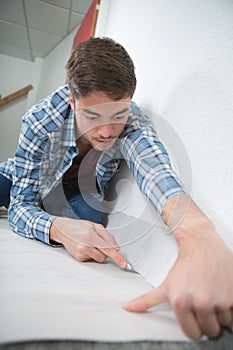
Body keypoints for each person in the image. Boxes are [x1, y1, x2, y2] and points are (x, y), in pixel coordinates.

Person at [0, 37, 232, 340]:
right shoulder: (39, 121)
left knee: (92, 225)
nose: (107, 131)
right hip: (20, 180)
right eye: (93, 117)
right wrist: (57, 229)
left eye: (118, 116)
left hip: (75, 193)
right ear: (72, 100)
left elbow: (157, 174)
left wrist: (203, 240)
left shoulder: (134, 121)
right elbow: (21, 206)